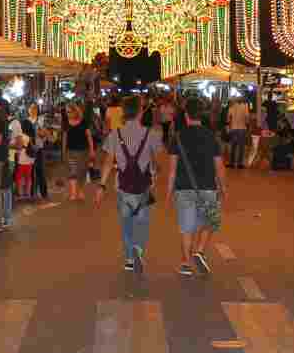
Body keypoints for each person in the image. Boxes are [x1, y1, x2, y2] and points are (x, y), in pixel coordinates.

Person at [97, 94, 162, 273]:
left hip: (122, 185)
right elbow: (156, 163)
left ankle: (129, 259)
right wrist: (155, 171)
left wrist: (101, 186)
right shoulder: (152, 135)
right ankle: (139, 249)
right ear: (140, 112)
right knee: (142, 222)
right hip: (144, 186)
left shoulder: (114, 135)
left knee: (126, 224)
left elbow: (108, 162)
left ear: (124, 113)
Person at [167, 95, 225, 277]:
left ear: (186, 115)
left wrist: (168, 192)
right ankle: (199, 251)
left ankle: (185, 264)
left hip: (183, 188)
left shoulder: (177, 137)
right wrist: (224, 188)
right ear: (202, 115)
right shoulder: (211, 136)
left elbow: (172, 170)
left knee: (186, 228)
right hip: (208, 187)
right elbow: (219, 166)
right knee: (210, 221)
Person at [224, 92, 251, 169]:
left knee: (233, 146)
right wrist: (247, 126)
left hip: (233, 128)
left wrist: (228, 128)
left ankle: (232, 163)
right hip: (242, 129)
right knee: (241, 147)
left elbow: (228, 120)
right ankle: (239, 164)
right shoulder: (245, 107)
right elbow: (247, 119)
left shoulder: (231, 108)